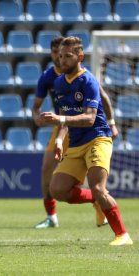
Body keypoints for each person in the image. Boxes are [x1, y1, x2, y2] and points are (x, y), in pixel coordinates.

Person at [39, 36, 133, 245]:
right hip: (75, 143)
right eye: (60, 56)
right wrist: (58, 141)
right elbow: (66, 116)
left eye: (68, 56)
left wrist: (61, 119)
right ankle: (96, 201)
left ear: (80, 57)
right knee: (58, 189)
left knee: (99, 187)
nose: (62, 61)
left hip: (97, 138)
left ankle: (122, 235)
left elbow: (90, 118)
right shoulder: (59, 83)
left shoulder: (88, 81)